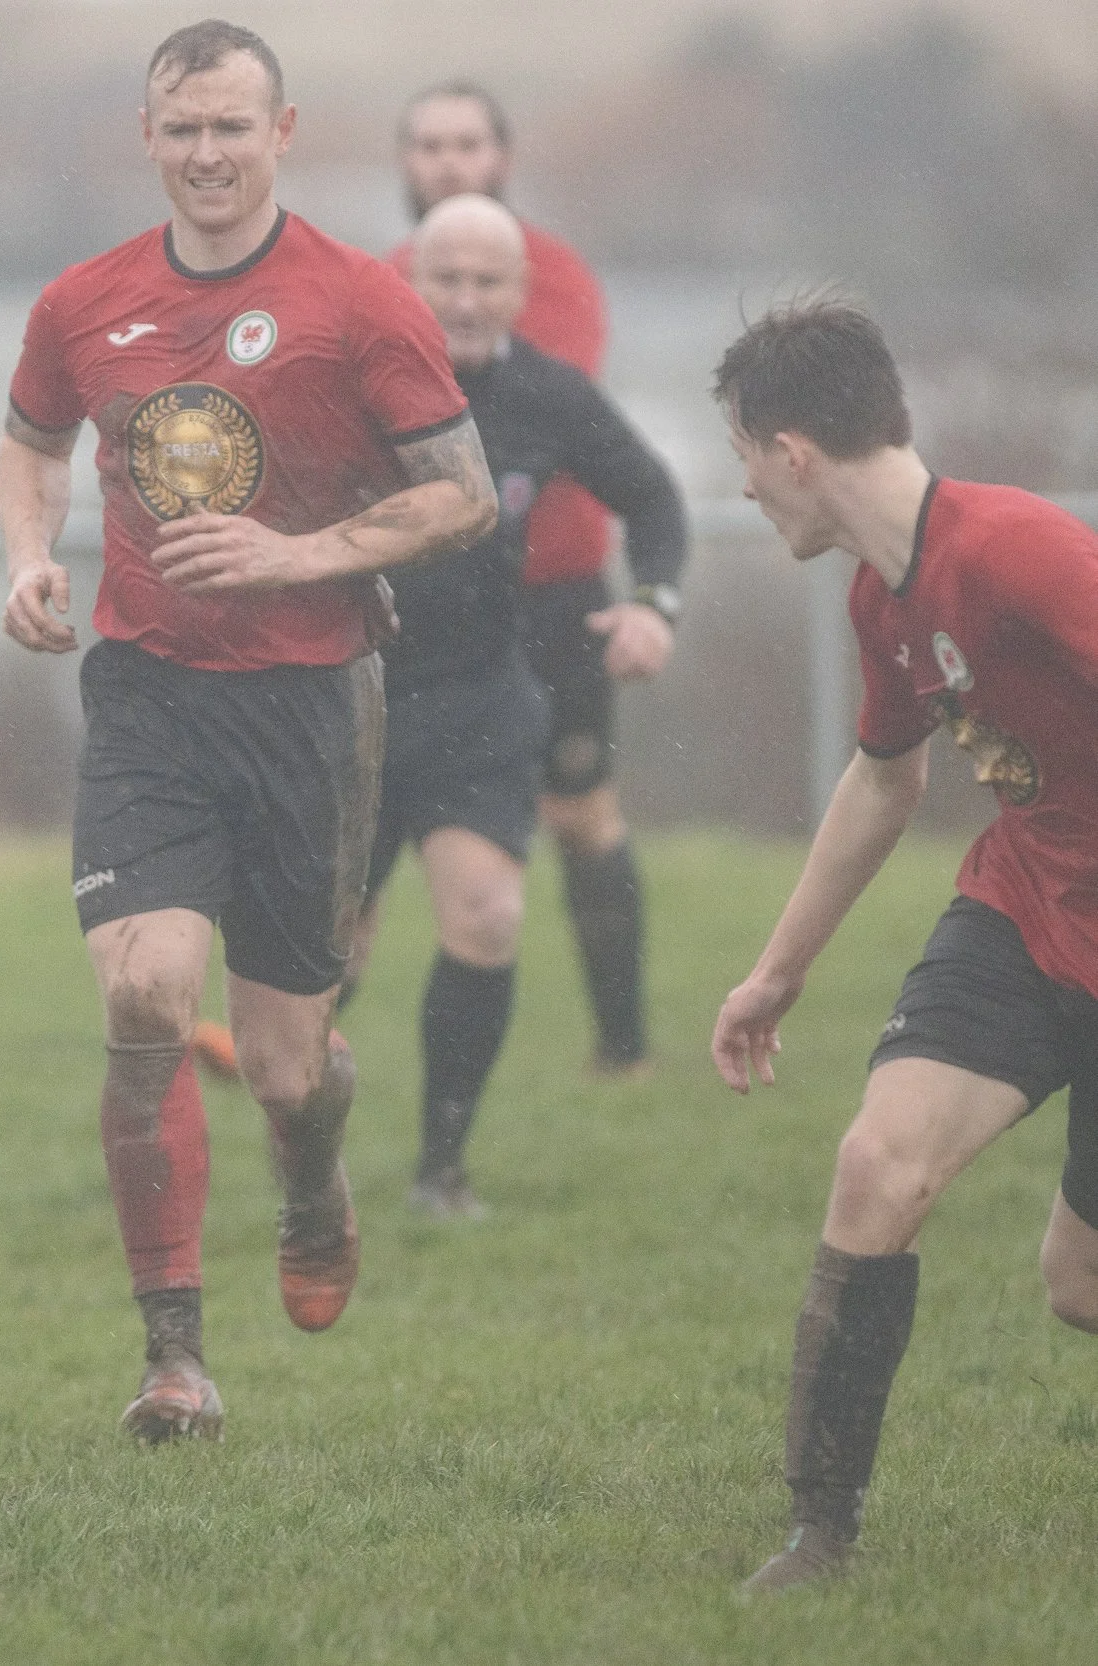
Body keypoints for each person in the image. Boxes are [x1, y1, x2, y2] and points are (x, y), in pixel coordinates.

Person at [0, 20, 497, 1444]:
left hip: (308, 707)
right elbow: (30, 442)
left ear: (284, 133)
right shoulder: (83, 301)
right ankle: (174, 1360)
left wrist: (300, 555)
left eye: (232, 128)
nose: (206, 154)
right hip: (149, 694)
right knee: (147, 994)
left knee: (287, 1066)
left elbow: (463, 495)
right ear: (146, 140)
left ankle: (314, 1183)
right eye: (182, 130)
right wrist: (26, 556)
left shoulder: (356, 301)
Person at [709, 300, 1098, 1590]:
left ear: (794, 451)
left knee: (1076, 1283)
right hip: (1023, 914)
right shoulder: (885, 598)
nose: (742, 485)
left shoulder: (1017, 548)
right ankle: (821, 1534)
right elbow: (884, 782)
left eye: (744, 455)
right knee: (877, 1164)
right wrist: (777, 968)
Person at [349, 196, 686, 1219]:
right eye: (442, 275)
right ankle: (303, 1165)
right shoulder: (344, 387)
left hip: (478, 698)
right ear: (404, 278)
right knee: (318, 975)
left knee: (488, 912)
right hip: (344, 696)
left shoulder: (549, 395)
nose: (461, 296)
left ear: (520, 292)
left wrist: (652, 604)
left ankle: (438, 1171)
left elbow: (656, 498)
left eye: (485, 279)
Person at [395, 80, 676, 1078]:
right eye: (428, 145)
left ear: (501, 157)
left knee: (581, 810)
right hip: (423, 611)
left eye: (467, 143)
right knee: (359, 823)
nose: (448, 162)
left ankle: (623, 1049)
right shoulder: (380, 280)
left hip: (553, 593)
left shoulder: (549, 280)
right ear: (405, 162)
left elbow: (533, 418)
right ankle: (295, 1044)